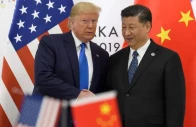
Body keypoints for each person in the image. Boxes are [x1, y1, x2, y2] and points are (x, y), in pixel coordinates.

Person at [106, 4, 185, 127]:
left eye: (132, 27)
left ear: (147, 26)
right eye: (123, 27)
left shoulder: (168, 58)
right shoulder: (115, 59)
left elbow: (175, 106)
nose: (126, 32)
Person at [33, 2, 109, 126]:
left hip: (84, 120)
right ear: (71, 23)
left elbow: (101, 91)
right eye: (85, 21)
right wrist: (78, 94)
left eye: (94, 21)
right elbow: (43, 78)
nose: (90, 26)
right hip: (46, 116)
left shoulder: (102, 54)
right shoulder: (51, 42)